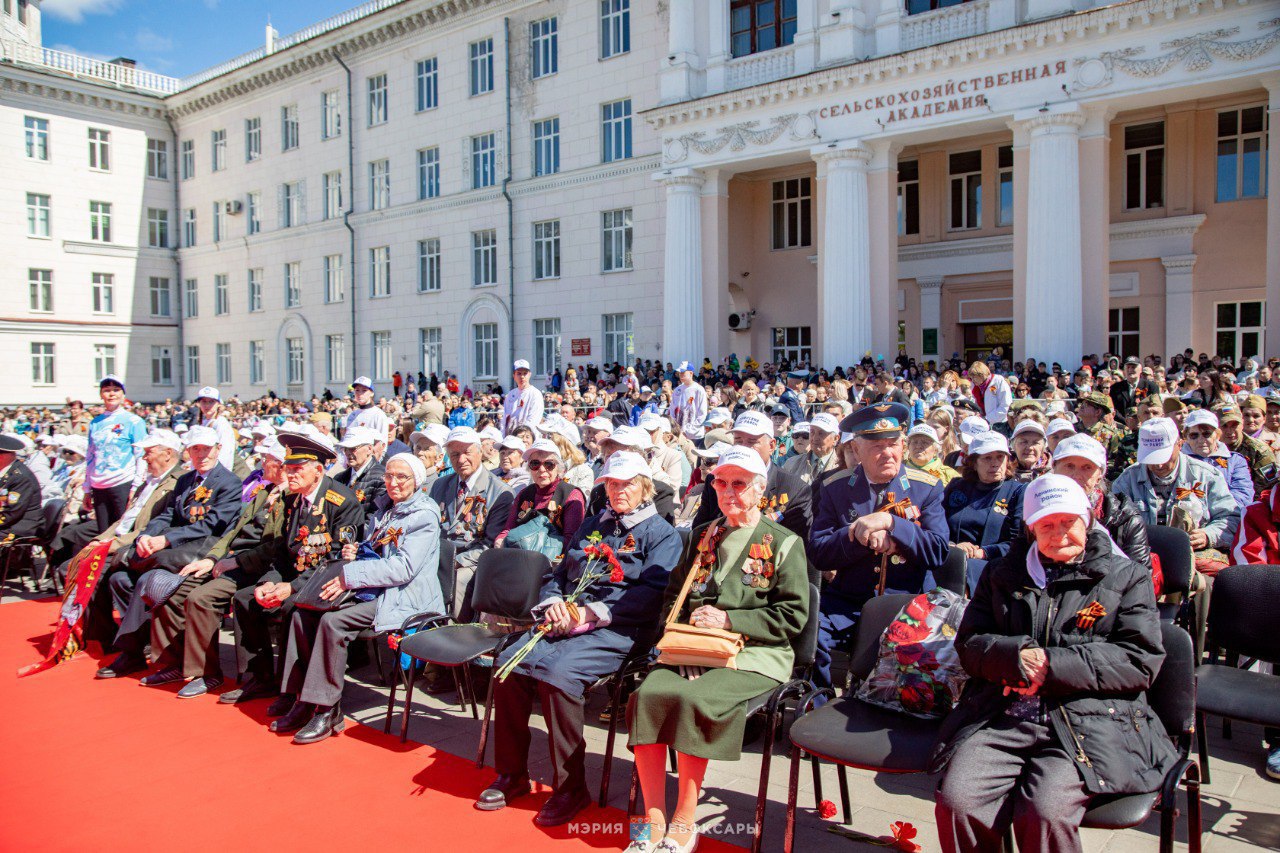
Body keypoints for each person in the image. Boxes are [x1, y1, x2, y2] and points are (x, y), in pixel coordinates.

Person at [931, 474, 1175, 853]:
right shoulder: (1002, 573)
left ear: (1088, 519)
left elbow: (1139, 660)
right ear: (1030, 528)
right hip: (1004, 712)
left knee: (1044, 812)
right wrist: (1014, 658)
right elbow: (970, 642)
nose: (1059, 533)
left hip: (1089, 718)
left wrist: (1051, 664)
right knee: (958, 801)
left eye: (1068, 522)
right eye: (1046, 524)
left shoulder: (1126, 575)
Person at [479, 452, 682, 826]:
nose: (619, 490)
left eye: (628, 484)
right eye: (612, 483)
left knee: (559, 676)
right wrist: (554, 603)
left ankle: (571, 788)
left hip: (622, 628)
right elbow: (558, 575)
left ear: (645, 487)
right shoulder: (594, 524)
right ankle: (512, 774)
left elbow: (651, 596)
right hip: (568, 619)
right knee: (508, 664)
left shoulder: (662, 534)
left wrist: (589, 614)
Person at [627, 447, 809, 853]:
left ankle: (683, 822)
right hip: (694, 647)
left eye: (739, 483)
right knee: (647, 697)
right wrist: (683, 637)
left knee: (694, 699)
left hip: (756, 655)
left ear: (760, 489)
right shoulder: (704, 533)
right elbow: (675, 592)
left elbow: (794, 616)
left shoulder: (783, 543)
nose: (728, 492)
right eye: (721, 482)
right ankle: (649, 824)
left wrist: (731, 621)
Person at [272, 453, 443, 743]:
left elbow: (403, 568)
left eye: (402, 477)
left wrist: (352, 574)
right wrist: (358, 550)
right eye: (389, 476)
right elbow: (378, 550)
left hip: (405, 597)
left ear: (416, 481)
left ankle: (326, 709)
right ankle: (300, 696)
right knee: (303, 612)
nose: (393, 482)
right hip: (377, 588)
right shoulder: (388, 509)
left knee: (333, 622)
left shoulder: (423, 516)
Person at [808, 402, 950, 691]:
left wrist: (892, 524)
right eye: (876, 446)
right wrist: (858, 534)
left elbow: (938, 551)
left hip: (907, 604)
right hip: (848, 603)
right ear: (856, 450)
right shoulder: (835, 487)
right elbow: (819, 552)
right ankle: (817, 708)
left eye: (894, 443)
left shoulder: (927, 487)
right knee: (811, 637)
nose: (888, 452)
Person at [231, 433, 366, 715]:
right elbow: (283, 550)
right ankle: (262, 677)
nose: (289, 475)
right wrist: (269, 582)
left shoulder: (342, 501)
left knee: (294, 608)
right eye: (287, 469)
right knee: (246, 599)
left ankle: (294, 691)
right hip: (297, 576)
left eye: (297, 469)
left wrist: (291, 588)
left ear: (318, 470)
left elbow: (337, 559)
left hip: (327, 581)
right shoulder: (294, 501)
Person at [95, 426, 243, 680]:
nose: (201, 455)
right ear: (188, 452)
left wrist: (166, 539)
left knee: (144, 580)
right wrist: (147, 536)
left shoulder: (229, 482)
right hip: (173, 548)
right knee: (120, 580)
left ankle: (134, 653)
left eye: (207, 449)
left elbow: (212, 525)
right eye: (195, 449)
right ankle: (145, 646)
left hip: (201, 550)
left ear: (218, 449)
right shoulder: (186, 480)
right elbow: (167, 514)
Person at [147, 437, 288, 697]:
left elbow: (273, 548)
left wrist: (233, 561)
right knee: (171, 591)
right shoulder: (266, 492)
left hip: (254, 566)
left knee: (201, 598)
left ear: (280, 465)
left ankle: (205, 673)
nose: (261, 463)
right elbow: (233, 531)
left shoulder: (289, 497)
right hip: (231, 558)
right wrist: (211, 558)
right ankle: (176, 662)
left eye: (266, 459)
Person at [428, 427, 515, 619]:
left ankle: (455, 631)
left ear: (480, 452)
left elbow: (490, 544)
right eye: (455, 454)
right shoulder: (440, 485)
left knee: (458, 579)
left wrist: (453, 563)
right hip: (439, 554)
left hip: (471, 561)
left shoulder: (499, 492)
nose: (461, 460)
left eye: (467, 453)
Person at [691, 411, 812, 539]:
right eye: (738, 441)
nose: (744, 448)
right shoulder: (715, 480)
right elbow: (699, 531)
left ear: (771, 446)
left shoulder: (795, 490)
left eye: (751, 442)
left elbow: (795, 546)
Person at [1051, 433, 1151, 569]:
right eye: (1069, 466)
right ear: (1054, 469)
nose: (1077, 476)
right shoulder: (1036, 511)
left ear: (1100, 475)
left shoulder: (1124, 518)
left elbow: (1140, 579)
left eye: (1087, 468)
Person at [943, 431, 1026, 593]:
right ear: (974, 462)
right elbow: (937, 525)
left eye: (1000, 457)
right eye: (987, 458)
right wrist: (953, 547)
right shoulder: (956, 486)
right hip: (951, 557)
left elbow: (1017, 542)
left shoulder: (1017, 492)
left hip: (994, 565)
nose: (995, 464)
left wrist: (982, 552)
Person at [494, 439, 586, 555]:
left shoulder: (571, 495)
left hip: (553, 562)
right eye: (535, 464)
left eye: (549, 464)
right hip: (518, 557)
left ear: (558, 467)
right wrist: (500, 540)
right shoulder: (524, 494)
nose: (542, 469)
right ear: (529, 468)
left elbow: (571, 540)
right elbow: (508, 529)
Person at [83, 375, 148, 531]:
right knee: (103, 532)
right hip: (99, 485)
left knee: (123, 530)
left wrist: (136, 487)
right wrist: (87, 489)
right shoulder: (95, 422)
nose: (111, 394)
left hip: (122, 482)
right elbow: (90, 456)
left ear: (123, 394)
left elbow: (141, 455)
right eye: (107, 390)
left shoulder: (134, 421)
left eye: (116, 390)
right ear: (101, 395)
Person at [1181, 409, 1253, 511]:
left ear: (1217, 435)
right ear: (1186, 437)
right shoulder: (1178, 461)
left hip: (1226, 518)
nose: (1201, 440)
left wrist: (1217, 513)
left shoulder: (1235, 461)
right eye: (1194, 435)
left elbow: (1243, 494)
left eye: (1207, 434)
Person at [0, 433, 43, 544]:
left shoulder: (20, 477)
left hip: (18, 527)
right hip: (8, 523)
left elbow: (12, 512)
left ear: (1, 457)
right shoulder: (6, 472)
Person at [334, 426, 387, 509]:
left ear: (369, 449)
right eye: (345, 449)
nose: (348, 453)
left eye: (353, 448)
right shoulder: (339, 478)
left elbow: (376, 516)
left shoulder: (381, 478)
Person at [782, 412, 840, 486]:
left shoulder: (841, 466)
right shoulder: (792, 463)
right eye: (812, 432)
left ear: (835, 439)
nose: (815, 438)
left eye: (821, 433)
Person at [193, 386, 238, 472]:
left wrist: (219, 475)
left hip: (216, 473)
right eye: (204, 401)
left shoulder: (221, 424)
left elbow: (225, 453)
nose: (207, 405)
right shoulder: (202, 423)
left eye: (211, 402)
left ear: (218, 404)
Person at [668, 361, 708, 441]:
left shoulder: (699, 390)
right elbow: (672, 410)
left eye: (683, 372)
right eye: (680, 373)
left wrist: (688, 431)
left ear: (691, 373)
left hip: (694, 435)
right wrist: (676, 429)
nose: (681, 375)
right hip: (678, 434)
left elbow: (702, 414)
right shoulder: (677, 390)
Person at [503, 359, 545, 434]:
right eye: (519, 373)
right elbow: (505, 419)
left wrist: (521, 435)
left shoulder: (535, 394)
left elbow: (533, 420)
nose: (522, 377)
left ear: (529, 375)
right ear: (514, 376)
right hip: (511, 437)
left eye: (525, 373)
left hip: (528, 436)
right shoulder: (510, 395)